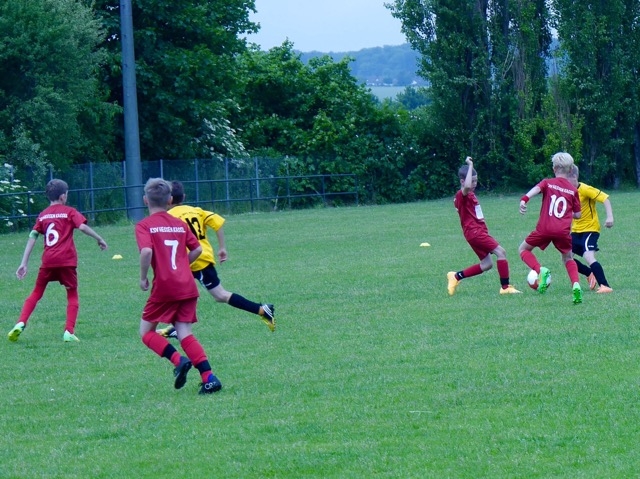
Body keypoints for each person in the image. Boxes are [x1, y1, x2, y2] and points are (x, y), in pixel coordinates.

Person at [156, 180, 275, 339]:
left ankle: (262, 310)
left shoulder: (168, 217)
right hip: (199, 258)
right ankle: (177, 328)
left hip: (194, 262)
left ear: (167, 199)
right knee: (180, 293)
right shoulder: (196, 211)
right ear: (183, 197)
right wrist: (222, 248)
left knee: (220, 295)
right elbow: (217, 222)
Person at [135, 178, 221, 394]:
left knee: (146, 332)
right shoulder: (179, 224)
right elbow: (197, 249)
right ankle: (209, 378)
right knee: (184, 332)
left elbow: (146, 251)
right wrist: (182, 265)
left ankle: (178, 360)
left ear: (145, 200)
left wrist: (143, 278)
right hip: (187, 285)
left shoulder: (144, 225)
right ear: (170, 200)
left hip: (165, 286)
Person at [7, 179, 108, 342]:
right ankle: (69, 331)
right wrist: (99, 238)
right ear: (63, 196)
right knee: (72, 294)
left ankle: (20, 323)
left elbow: (33, 236)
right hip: (66, 261)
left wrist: (24, 263)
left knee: (36, 293)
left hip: (48, 261)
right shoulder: (69, 212)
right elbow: (82, 227)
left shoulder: (43, 215)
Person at [446, 157, 521, 296]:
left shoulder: (469, 195)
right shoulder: (462, 195)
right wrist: (470, 165)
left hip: (476, 232)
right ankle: (505, 287)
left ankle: (456, 276)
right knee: (501, 252)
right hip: (475, 232)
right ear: (462, 181)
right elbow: (466, 187)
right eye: (472, 181)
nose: (474, 184)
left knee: (487, 264)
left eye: (476, 180)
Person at [518, 152, 583, 304]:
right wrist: (567, 213)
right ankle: (576, 284)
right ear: (570, 170)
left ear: (554, 168)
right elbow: (578, 215)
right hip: (563, 231)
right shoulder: (573, 190)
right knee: (568, 258)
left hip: (544, 228)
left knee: (523, 249)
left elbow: (535, 190)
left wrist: (524, 199)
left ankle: (540, 270)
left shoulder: (547, 182)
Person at [567, 165, 614, 293]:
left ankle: (605, 286)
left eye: (566, 178)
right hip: (575, 231)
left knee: (588, 256)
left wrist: (610, 217)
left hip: (590, 229)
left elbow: (605, 198)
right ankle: (589, 273)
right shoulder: (567, 192)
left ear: (574, 176)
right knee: (567, 258)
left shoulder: (585, 189)